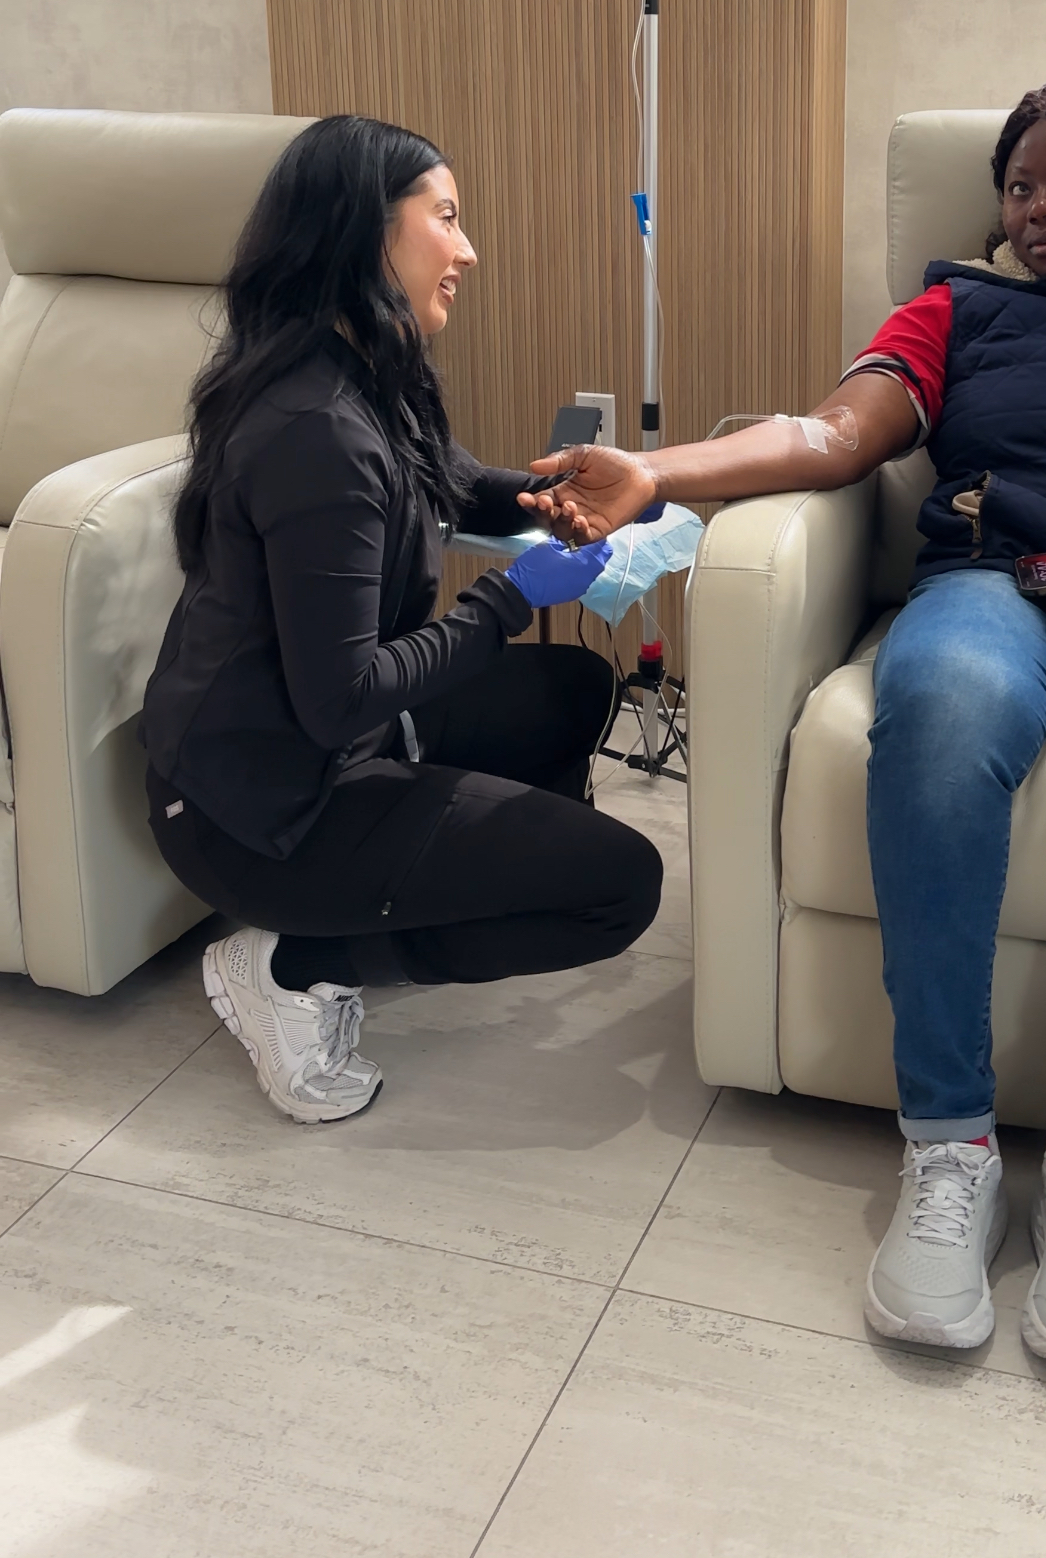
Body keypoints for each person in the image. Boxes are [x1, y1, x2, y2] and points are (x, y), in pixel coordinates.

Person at [531, 72, 1046, 1375]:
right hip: (992, 584)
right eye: (1016, 184)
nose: (1035, 207)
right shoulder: (958, 306)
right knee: (933, 709)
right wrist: (657, 473)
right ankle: (946, 1148)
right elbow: (831, 434)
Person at [142, 115, 662, 1125]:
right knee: (619, 889)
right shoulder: (314, 434)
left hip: (309, 746)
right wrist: (512, 599)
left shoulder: (368, 374)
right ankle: (295, 959)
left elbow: (453, 486)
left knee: (575, 690)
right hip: (255, 810)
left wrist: (552, 495)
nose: (466, 249)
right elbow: (340, 703)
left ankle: (421, 888)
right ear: (363, 234)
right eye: (447, 219)